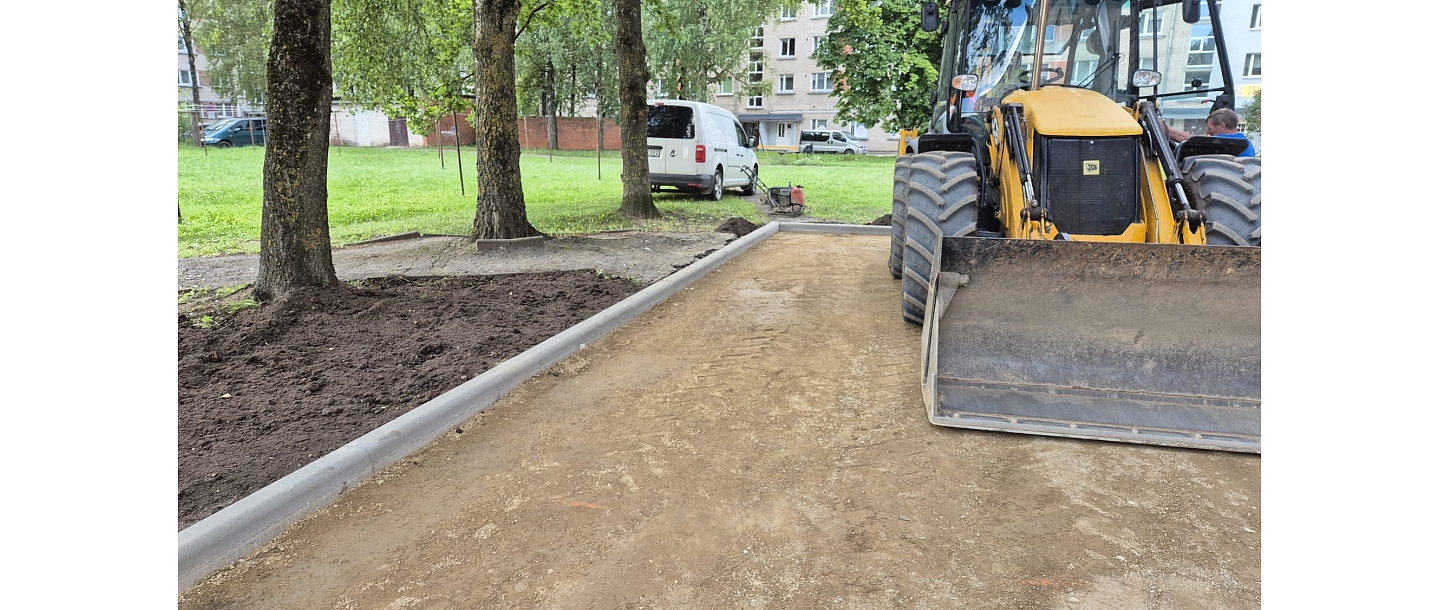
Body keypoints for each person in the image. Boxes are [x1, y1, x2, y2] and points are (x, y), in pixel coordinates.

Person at [1165, 108, 1256, 157]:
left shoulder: (1228, 142)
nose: (1208, 132)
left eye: (1210, 128)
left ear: (1222, 125)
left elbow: (1188, 140)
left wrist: (1161, 126)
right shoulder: (1247, 142)